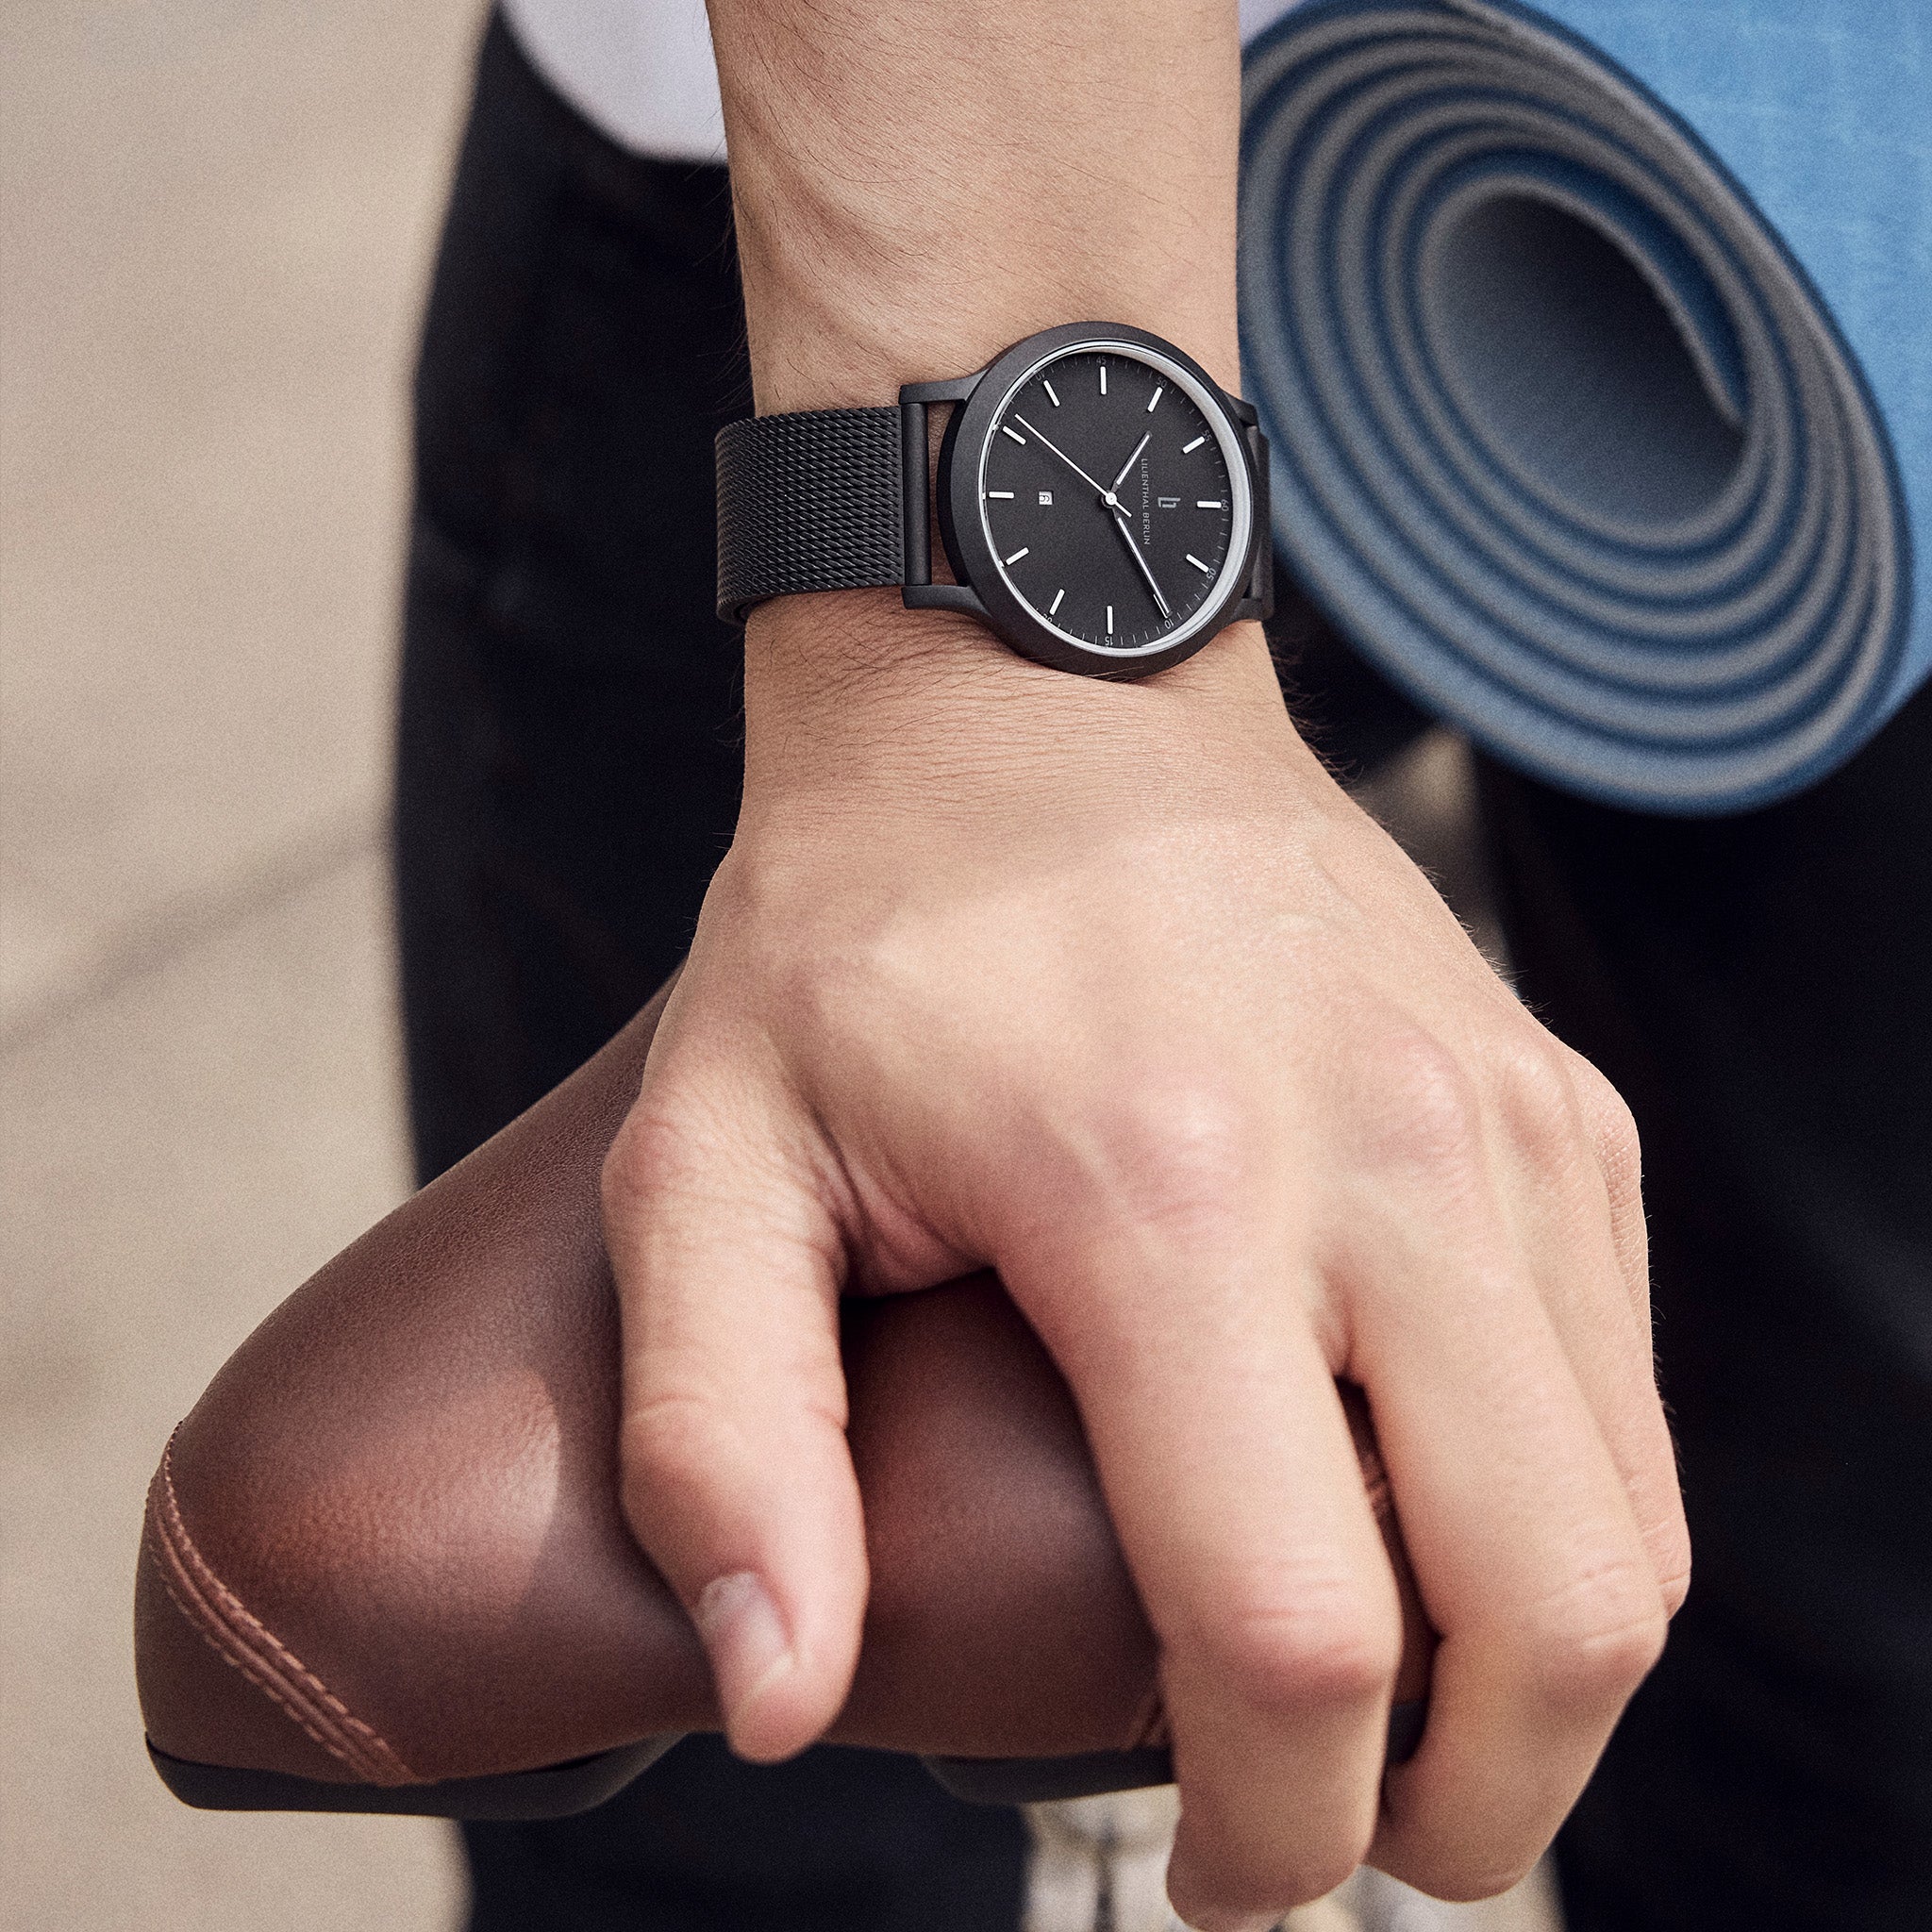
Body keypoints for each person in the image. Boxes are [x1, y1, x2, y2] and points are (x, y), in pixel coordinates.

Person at [394, 4, 1931, 1930]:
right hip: (888, 183)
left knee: (1853, 1643)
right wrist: (966, 635)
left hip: (1851, 178)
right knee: (720, 1660)